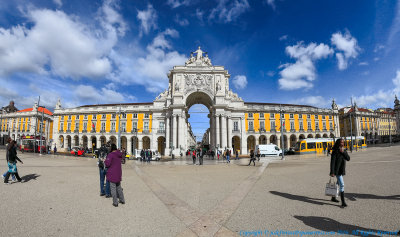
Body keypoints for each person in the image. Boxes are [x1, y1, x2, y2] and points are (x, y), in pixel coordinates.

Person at [330, 138, 350, 207]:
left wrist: (343, 152)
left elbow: (348, 158)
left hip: (342, 170)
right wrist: (332, 172)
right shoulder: (335, 151)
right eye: (341, 142)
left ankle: (333, 197)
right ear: (338, 143)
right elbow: (332, 162)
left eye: (343, 142)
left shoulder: (344, 150)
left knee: (338, 184)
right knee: (342, 184)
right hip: (337, 171)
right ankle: (343, 202)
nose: (342, 143)